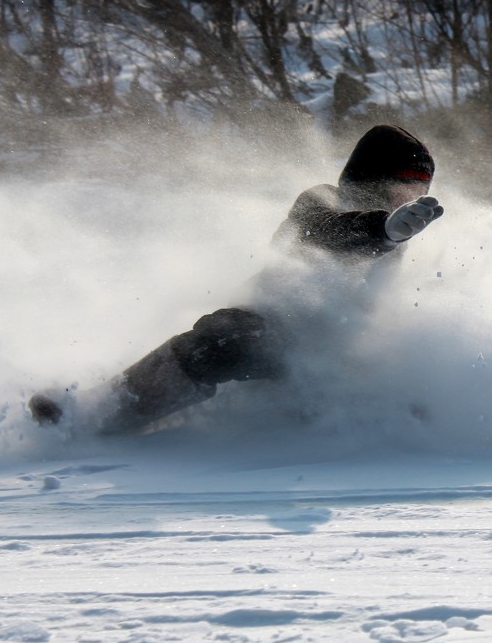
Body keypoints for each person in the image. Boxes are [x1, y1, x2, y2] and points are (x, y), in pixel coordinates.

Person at [28, 124, 445, 435]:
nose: (412, 195)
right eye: (405, 182)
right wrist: (382, 231)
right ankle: (98, 414)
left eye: (422, 186)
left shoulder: (399, 239)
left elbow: (380, 309)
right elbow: (325, 233)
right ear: (372, 175)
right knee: (223, 337)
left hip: (330, 359)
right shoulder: (323, 201)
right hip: (276, 330)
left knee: (414, 385)